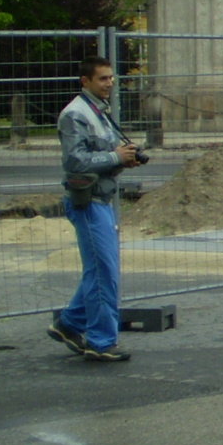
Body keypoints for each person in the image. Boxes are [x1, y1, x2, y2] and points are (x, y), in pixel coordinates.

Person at [48, 55, 146, 363]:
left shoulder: (97, 111)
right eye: (103, 79)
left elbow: (101, 154)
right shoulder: (75, 114)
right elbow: (75, 161)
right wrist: (117, 158)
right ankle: (101, 342)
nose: (110, 84)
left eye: (111, 78)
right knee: (103, 273)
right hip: (87, 201)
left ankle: (69, 324)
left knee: (101, 271)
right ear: (86, 81)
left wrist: (123, 157)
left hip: (101, 199)